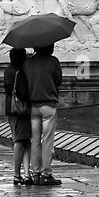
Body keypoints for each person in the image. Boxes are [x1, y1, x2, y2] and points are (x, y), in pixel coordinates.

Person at [23, 44, 63, 185]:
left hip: (33, 105)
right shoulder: (53, 61)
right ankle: (46, 173)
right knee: (47, 140)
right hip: (49, 105)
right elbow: (58, 80)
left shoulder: (28, 62)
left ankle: (36, 173)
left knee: (35, 140)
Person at [3, 47, 34, 185]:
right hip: (20, 109)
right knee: (20, 141)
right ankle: (17, 174)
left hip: (11, 107)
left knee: (26, 140)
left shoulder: (8, 70)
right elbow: (23, 92)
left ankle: (26, 174)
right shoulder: (19, 72)